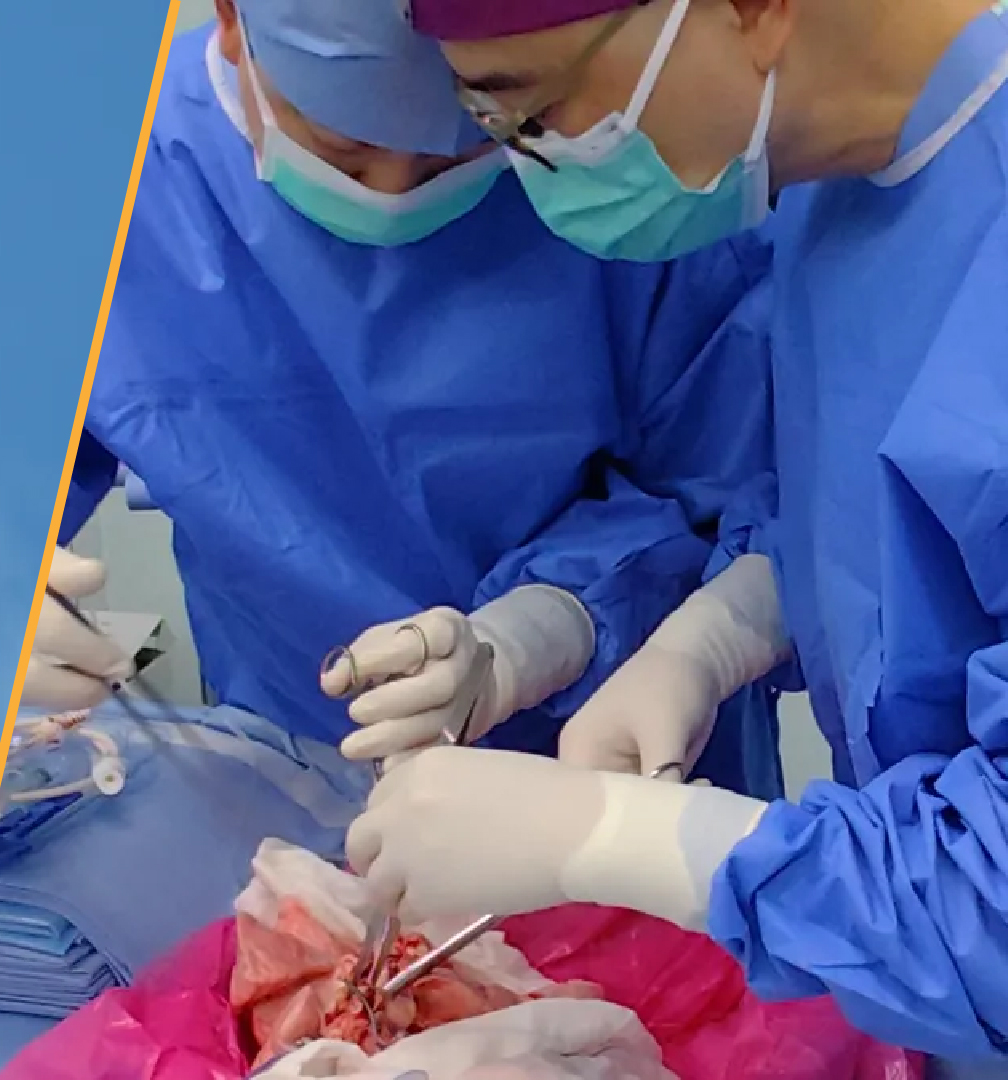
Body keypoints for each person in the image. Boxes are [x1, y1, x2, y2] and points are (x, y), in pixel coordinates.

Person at [345, 0, 1008, 1060]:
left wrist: (631, 841)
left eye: (540, 109)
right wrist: (713, 637)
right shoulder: (833, 179)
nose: (541, 169)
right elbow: (904, 510)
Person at [22, 0, 788, 800]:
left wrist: (536, 633)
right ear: (228, 19)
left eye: (454, 157)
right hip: (294, 760)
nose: (393, 197)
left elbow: (730, 480)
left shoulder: (630, 158)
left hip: (627, 751)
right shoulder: (111, 173)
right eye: (344, 152)